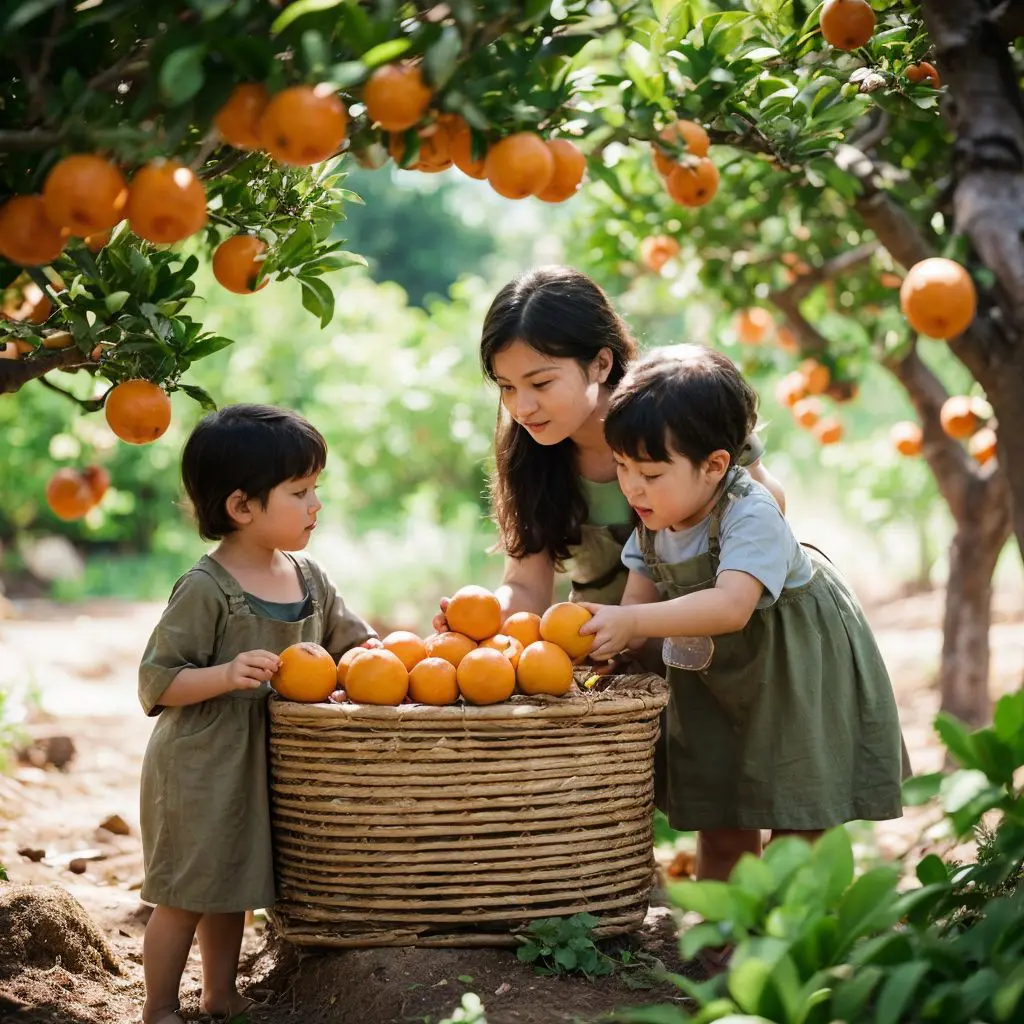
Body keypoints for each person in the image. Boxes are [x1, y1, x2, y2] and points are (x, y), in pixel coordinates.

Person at [577, 347, 907, 884]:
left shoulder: (749, 511)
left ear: (715, 465)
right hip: (718, 679)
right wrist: (615, 639)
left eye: (651, 473)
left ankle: (797, 937)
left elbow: (732, 605)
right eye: (622, 467)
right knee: (722, 814)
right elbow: (637, 605)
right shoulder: (652, 521)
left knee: (798, 816)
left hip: (791, 667)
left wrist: (635, 625)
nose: (632, 487)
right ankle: (726, 936)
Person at [137, 405, 376, 1024]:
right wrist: (224, 674)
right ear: (242, 507)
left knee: (232, 888)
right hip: (201, 762)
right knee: (185, 894)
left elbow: (356, 645)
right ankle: (158, 1007)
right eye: (299, 492)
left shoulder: (311, 579)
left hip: (266, 763)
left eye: (315, 488)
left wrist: (388, 654)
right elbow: (158, 679)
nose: (315, 504)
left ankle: (219, 995)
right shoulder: (206, 587)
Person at [433, 265, 785, 631]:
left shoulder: (683, 408)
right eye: (507, 387)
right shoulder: (529, 453)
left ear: (601, 363)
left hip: (720, 638)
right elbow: (526, 587)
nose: (522, 408)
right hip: (614, 653)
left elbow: (768, 502)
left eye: (540, 383)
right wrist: (479, 615)